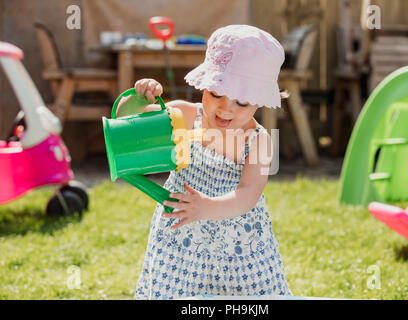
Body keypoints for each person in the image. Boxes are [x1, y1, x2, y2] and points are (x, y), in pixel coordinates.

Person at [117, 25, 292, 299]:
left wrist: (207, 207)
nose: (225, 107)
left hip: (239, 243)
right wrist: (137, 100)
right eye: (216, 93)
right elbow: (127, 123)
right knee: (178, 293)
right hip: (183, 235)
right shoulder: (186, 115)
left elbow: (247, 195)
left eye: (242, 101)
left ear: (260, 100)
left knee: (248, 298)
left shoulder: (258, 141)